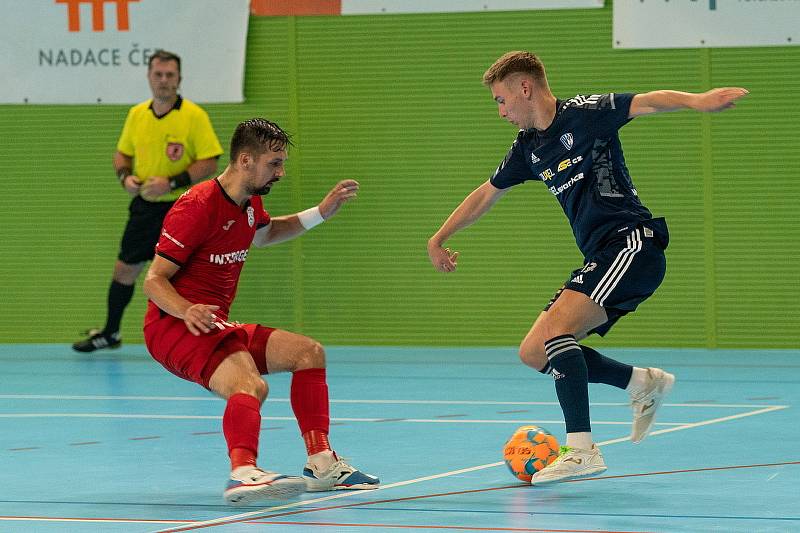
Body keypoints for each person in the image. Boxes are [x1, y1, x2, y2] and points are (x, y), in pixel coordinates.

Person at [427, 51, 748, 485]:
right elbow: (486, 193)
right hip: (600, 256)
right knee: (534, 351)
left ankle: (581, 450)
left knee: (558, 331)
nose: (501, 111)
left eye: (502, 100)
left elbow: (650, 101)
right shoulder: (529, 148)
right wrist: (439, 237)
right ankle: (641, 382)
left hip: (633, 243)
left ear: (525, 87)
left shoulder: (586, 114)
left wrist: (698, 100)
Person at [142, 118, 379, 505]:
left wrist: (321, 212)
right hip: (175, 327)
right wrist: (187, 311)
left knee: (308, 353)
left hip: (213, 324)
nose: (281, 172)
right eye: (275, 163)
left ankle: (321, 464)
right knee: (249, 385)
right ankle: (243, 473)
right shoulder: (197, 206)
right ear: (246, 160)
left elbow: (266, 234)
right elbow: (154, 280)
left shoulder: (249, 203)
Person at [73, 49, 223, 352]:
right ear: (149, 77)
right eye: (158, 74)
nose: (164, 81)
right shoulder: (137, 114)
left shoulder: (194, 116)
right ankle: (111, 333)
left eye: (170, 75)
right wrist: (125, 177)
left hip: (183, 208)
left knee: (185, 277)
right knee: (125, 270)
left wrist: (170, 182)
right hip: (144, 209)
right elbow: (121, 154)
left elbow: (209, 162)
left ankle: (196, 337)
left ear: (179, 79)